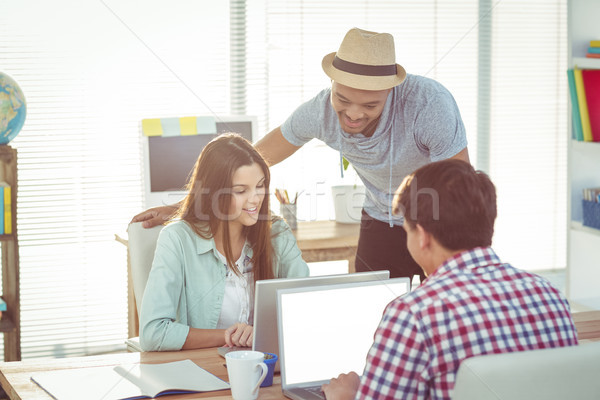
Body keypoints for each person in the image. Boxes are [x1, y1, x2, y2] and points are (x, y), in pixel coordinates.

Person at [132, 27, 469, 281]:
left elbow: (459, 187)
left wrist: (432, 238)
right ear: (332, 85)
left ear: (391, 91)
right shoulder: (318, 112)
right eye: (343, 101)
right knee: (373, 314)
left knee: (443, 314)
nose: (352, 115)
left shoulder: (428, 105)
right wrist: (184, 207)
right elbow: (246, 163)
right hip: (380, 219)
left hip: (433, 220)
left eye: (369, 105)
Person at [321, 159, 578, 400]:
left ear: (422, 236)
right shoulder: (550, 295)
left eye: (406, 230)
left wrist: (347, 396)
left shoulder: (412, 314)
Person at [139, 133, 309, 352]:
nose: (255, 199)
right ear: (212, 194)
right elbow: (153, 334)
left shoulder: (276, 232)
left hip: (263, 365)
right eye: (241, 191)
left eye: (260, 186)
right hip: (202, 368)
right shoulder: (177, 239)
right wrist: (230, 336)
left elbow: (305, 306)